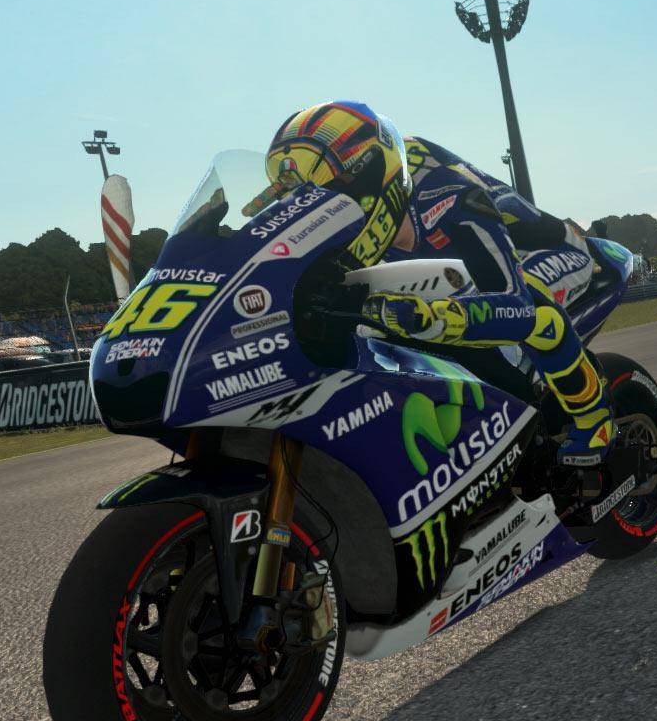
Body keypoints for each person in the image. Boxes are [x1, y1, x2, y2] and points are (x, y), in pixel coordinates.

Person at [254, 100, 615, 471]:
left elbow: (517, 307)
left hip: (551, 253)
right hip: (461, 271)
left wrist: (435, 318)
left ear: (368, 176)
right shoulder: (375, 198)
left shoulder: (448, 196)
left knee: (537, 315)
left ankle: (595, 420)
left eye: (331, 198)